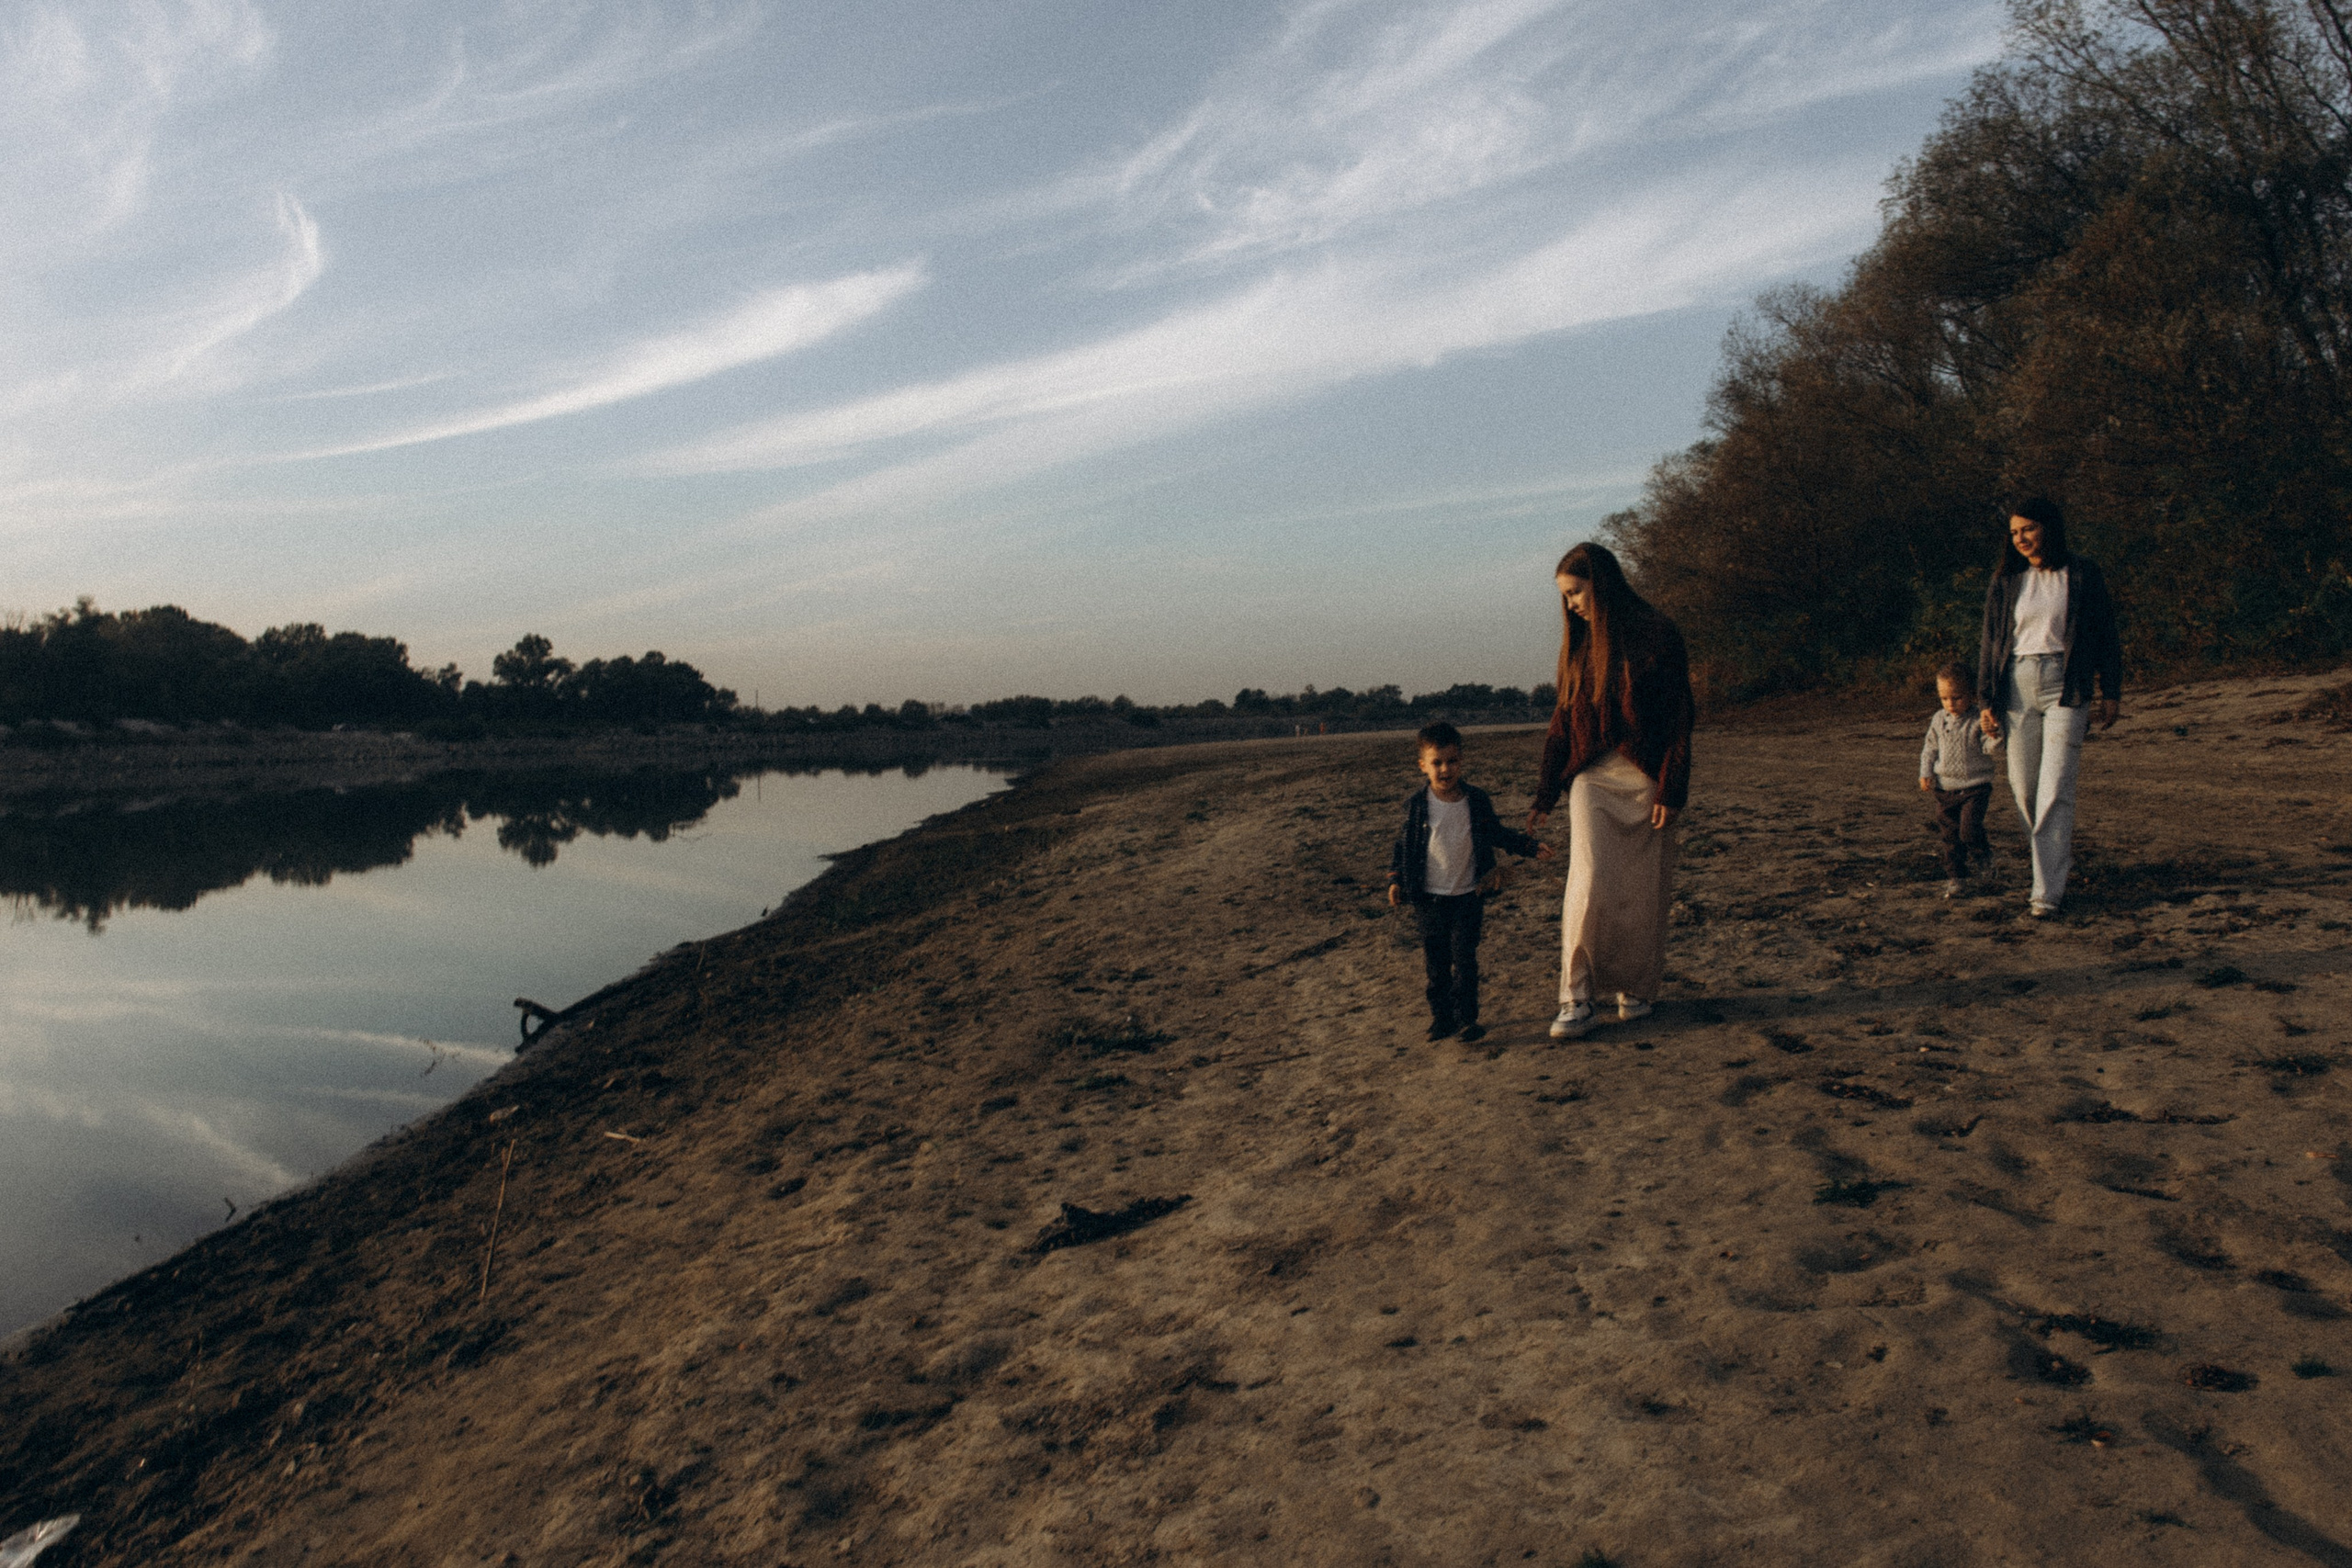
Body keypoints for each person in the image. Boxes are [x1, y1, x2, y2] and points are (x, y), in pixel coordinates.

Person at [1528, 543, 1693, 1040]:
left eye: (1576, 592)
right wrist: (1544, 793)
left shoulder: (1658, 634)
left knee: (1643, 890)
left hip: (1645, 778)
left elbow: (1679, 720)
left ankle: (1636, 989)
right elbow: (1561, 724)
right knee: (1590, 879)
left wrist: (1671, 787)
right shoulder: (1577, 646)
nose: (1571, 605)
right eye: (1565, 597)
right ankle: (1576, 998)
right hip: (1592, 780)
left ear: (1602, 583)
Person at [1975, 497, 2122, 918]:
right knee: (2024, 791)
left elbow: (2106, 633)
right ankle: (2052, 861)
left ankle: (2046, 892)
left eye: (2029, 529)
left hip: (2067, 686)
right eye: (2014, 532)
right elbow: (1990, 643)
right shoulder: (2006, 580)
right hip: (2016, 689)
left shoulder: (2082, 573)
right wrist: (1987, 700)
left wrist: (2111, 689)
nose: (2020, 538)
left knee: (2055, 789)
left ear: (2049, 529)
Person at [1386, 721, 1553, 1043]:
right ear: (1423, 766)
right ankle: (1442, 1019)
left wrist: (1530, 847)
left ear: (1462, 761)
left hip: (1468, 896)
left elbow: (1497, 834)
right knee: (1436, 966)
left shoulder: (1475, 801)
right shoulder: (1417, 806)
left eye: (1452, 761)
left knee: (1464, 961)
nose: (1445, 769)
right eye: (1437, 763)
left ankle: (1467, 1021)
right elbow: (1402, 847)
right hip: (1429, 899)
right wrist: (1396, 881)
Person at [1919, 660, 1998, 899]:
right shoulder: (1938, 719)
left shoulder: (1977, 719)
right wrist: (1926, 772)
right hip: (1945, 789)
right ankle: (1957, 878)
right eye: (1944, 698)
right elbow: (1929, 749)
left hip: (1975, 787)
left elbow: (1989, 747)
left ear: (1972, 695)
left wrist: (1995, 734)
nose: (1950, 704)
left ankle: (1983, 857)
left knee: (1969, 830)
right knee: (1950, 837)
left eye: (1957, 697)